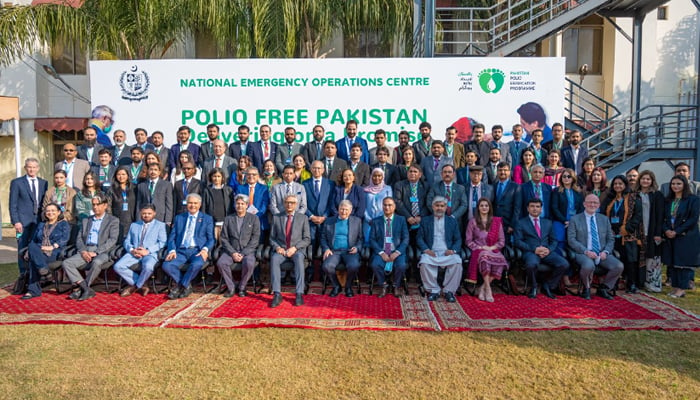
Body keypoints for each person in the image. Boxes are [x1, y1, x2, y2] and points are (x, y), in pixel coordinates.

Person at [61, 193, 120, 301]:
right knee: (67, 263)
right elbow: (79, 239)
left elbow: (112, 240)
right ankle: (86, 289)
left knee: (96, 262)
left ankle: (80, 289)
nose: (95, 207)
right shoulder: (86, 220)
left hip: (103, 251)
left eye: (98, 204)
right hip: (86, 249)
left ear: (105, 205)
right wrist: (83, 251)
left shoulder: (113, 220)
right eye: (93, 204)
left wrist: (96, 252)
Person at [567, 194, 623, 300]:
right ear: (584, 204)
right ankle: (586, 288)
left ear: (598, 205)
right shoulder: (575, 219)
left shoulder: (604, 219)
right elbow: (571, 240)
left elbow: (611, 239)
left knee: (618, 266)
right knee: (589, 266)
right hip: (583, 252)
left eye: (595, 203)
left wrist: (606, 251)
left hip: (601, 252)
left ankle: (604, 288)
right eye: (589, 202)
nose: (592, 204)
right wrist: (586, 251)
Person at [162, 193, 215, 299]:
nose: (192, 205)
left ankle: (180, 286)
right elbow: (172, 237)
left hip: (197, 251)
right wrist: (172, 250)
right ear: (186, 204)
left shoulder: (207, 219)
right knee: (166, 265)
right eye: (190, 203)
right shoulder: (179, 218)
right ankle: (186, 286)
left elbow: (211, 239)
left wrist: (205, 250)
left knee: (196, 265)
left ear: (200, 204)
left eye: (195, 203)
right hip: (180, 251)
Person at [514, 198, 569, 299]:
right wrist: (534, 249)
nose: (535, 209)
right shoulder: (521, 223)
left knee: (564, 264)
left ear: (541, 209)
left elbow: (554, 240)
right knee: (531, 265)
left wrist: (548, 249)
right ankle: (533, 287)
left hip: (546, 251)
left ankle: (549, 285)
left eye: (537, 206)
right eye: (532, 206)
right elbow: (517, 241)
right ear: (527, 208)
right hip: (531, 251)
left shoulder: (547, 222)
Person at [113, 204, 167, 297]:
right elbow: (127, 241)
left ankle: (135, 286)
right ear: (140, 213)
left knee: (148, 267)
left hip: (150, 254)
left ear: (154, 213)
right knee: (118, 266)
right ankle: (142, 283)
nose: (146, 215)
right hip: (134, 253)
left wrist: (147, 251)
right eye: (144, 213)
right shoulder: (134, 225)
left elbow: (162, 242)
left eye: (149, 213)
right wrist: (132, 250)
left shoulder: (160, 226)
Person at [601, 175, 643, 294]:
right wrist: (610, 230)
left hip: (628, 235)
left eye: (620, 184)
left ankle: (631, 284)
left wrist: (626, 229)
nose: (617, 186)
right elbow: (604, 215)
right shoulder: (610, 199)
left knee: (630, 260)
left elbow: (637, 216)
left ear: (625, 185)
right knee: (617, 259)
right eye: (615, 184)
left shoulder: (634, 198)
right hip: (613, 235)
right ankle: (614, 283)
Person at [20, 203, 70, 299]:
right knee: (31, 246)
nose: (50, 213)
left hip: (55, 251)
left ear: (58, 212)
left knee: (33, 261)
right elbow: (34, 240)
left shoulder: (63, 224)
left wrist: (52, 247)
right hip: (40, 250)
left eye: (53, 210)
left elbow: (65, 239)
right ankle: (44, 270)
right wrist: (40, 248)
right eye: (48, 211)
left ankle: (33, 291)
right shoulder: (41, 224)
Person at [417, 196, 462, 303]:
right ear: (432, 207)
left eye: (442, 206)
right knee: (424, 262)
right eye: (437, 206)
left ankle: (449, 291)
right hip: (431, 252)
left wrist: (453, 250)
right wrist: (426, 250)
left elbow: (458, 239)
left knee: (457, 262)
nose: (439, 208)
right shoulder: (425, 220)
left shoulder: (452, 221)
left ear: (446, 207)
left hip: (447, 252)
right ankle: (433, 290)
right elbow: (419, 238)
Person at [269, 195, 311, 307]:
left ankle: (299, 293)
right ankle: (277, 294)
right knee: (274, 259)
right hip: (281, 249)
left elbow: (307, 239)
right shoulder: (276, 217)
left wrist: (295, 248)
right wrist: (277, 247)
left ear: (296, 204)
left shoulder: (303, 218)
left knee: (299, 258)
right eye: (287, 202)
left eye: (292, 202)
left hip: (296, 250)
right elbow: (272, 238)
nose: (289, 205)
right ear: (283, 203)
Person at [662, 175, 700, 298]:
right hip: (670, 235)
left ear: (684, 185)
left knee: (683, 263)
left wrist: (677, 231)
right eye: (673, 184)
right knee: (673, 263)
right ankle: (675, 287)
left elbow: (693, 218)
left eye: (678, 183)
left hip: (685, 236)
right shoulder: (668, 201)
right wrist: (666, 230)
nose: (675, 186)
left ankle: (682, 289)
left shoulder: (693, 199)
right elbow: (663, 217)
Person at [216, 194, 261, 297]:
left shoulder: (254, 219)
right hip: (231, 250)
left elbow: (255, 239)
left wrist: (243, 253)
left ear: (246, 205)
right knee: (221, 263)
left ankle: (242, 287)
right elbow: (224, 238)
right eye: (238, 203)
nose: (240, 206)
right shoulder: (228, 219)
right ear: (235, 205)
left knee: (250, 264)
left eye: (242, 204)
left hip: (247, 251)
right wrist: (233, 253)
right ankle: (231, 287)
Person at [466, 198, 509, 302]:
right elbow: (468, 240)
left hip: (493, 249)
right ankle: (488, 289)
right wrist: (480, 248)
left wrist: (491, 248)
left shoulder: (496, 222)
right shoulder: (473, 222)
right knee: (485, 259)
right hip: (479, 250)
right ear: (478, 208)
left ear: (490, 208)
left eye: (486, 205)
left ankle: (482, 288)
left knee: (502, 262)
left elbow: (501, 241)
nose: (484, 207)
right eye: (482, 205)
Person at [321, 200, 363, 297]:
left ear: (351, 210)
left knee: (354, 265)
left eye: (346, 210)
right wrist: (326, 249)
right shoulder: (329, 221)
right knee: (327, 266)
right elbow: (323, 238)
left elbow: (361, 239)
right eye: (341, 209)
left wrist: (357, 248)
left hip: (349, 251)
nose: (343, 212)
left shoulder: (357, 221)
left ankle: (348, 287)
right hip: (334, 251)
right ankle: (336, 286)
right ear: (338, 209)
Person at [369, 197, 409, 297]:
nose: (387, 207)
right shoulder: (376, 221)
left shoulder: (401, 220)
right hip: (382, 251)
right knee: (375, 264)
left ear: (394, 207)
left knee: (401, 265)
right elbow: (372, 239)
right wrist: (381, 253)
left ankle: (396, 285)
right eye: (385, 205)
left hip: (396, 251)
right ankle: (383, 285)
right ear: (382, 206)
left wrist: (397, 252)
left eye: (390, 205)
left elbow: (406, 238)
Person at [635, 170, 665, 292]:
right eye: (643, 178)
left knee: (652, 258)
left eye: (648, 179)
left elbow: (660, 215)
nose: (645, 181)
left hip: (652, 230)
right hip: (638, 231)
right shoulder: (635, 194)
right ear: (639, 180)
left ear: (652, 181)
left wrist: (658, 233)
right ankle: (640, 282)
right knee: (639, 257)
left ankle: (653, 283)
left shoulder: (657, 195)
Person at [303, 160, 335, 252]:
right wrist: (311, 216)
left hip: (325, 220)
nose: (316, 170)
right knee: (310, 245)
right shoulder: (305, 184)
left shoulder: (330, 184)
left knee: (325, 246)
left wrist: (324, 216)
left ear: (323, 170)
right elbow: (303, 203)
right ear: (311, 169)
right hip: (310, 220)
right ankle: (310, 265)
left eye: (319, 168)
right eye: (314, 168)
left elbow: (331, 202)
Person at [427, 164, 469, 230]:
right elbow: (429, 202)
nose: (447, 174)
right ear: (441, 174)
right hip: (438, 221)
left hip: (455, 221)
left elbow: (464, 205)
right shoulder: (435, 187)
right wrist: (439, 214)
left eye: (449, 172)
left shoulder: (460, 188)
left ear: (454, 174)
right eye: (445, 172)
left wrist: (453, 216)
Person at [550, 169, 584, 249]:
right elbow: (554, 208)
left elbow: (581, 208)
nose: (566, 178)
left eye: (569, 176)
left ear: (573, 178)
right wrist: (565, 221)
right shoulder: (556, 191)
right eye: (564, 176)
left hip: (575, 221)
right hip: (560, 220)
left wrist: (573, 221)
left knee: (575, 242)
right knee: (560, 241)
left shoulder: (578, 192)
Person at [236, 167, 270, 240]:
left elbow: (265, 204)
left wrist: (256, 216)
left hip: (259, 220)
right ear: (246, 176)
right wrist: (246, 215)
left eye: (254, 174)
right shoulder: (240, 188)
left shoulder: (264, 188)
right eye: (249, 174)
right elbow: (236, 204)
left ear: (258, 176)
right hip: (244, 221)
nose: (251, 176)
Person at [202, 168, 233, 239]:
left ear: (222, 177)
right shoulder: (207, 190)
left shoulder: (228, 190)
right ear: (211, 177)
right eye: (214, 176)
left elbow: (231, 206)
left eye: (219, 176)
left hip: (225, 222)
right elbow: (204, 206)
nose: (216, 179)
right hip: (212, 222)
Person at [363, 168, 393, 244]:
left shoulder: (388, 189)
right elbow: (363, 207)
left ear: (383, 177)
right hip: (368, 221)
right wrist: (368, 218)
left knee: (383, 242)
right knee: (368, 242)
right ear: (371, 177)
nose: (377, 178)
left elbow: (389, 205)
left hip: (383, 219)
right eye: (374, 176)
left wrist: (381, 218)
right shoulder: (365, 190)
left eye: (379, 176)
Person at [493, 162, 522, 238]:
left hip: (508, 224)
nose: (502, 172)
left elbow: (517, 208)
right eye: (500, 170)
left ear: (509, 172)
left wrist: (512, 225)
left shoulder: (516, 187)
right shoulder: (493, 186)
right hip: (494, 223)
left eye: (505, 170)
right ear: (497, 172)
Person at [108, 166, 137, 241]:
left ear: (128, 175)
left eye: (123, 174)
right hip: (117, 219)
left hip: (132, 219)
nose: (121, 177)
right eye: (119, 174)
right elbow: (108, 206)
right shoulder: (111, 189)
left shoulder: (134, 188)